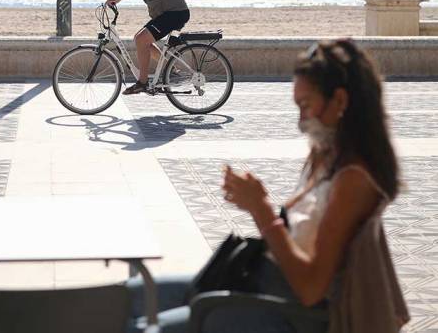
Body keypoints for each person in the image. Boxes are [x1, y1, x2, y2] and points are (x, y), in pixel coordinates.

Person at [126, 39, 409, 332]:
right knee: (126, 299)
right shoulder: (325, 154)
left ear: (339, 101)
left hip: (286, 313)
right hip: (263, 281)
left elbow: (311, 290)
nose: (301, 121)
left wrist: (261, 210)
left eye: (306, 106)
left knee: (144, 326)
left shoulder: (353, 180)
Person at [106, 0, 190, 95]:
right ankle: (170, 69)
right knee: (140, 39)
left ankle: (142, 83)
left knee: (141, 39)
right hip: (169, 13)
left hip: (174, 14)